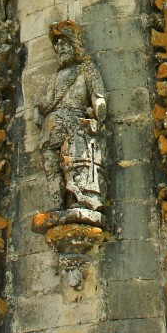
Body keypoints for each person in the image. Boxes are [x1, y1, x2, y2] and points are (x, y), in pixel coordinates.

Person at [39, 20, 107, 224]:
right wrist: (38, 109)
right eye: (57, 45)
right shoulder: (57, 76)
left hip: (75, 124)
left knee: (73, 163)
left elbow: (98, 95)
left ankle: (80, 200)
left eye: (64, 44)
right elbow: (47, 102)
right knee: (51, 165)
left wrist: (98, 111)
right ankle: (57, 203)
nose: (59, 48)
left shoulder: (86, 68)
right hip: (52, 126)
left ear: (74, 45)